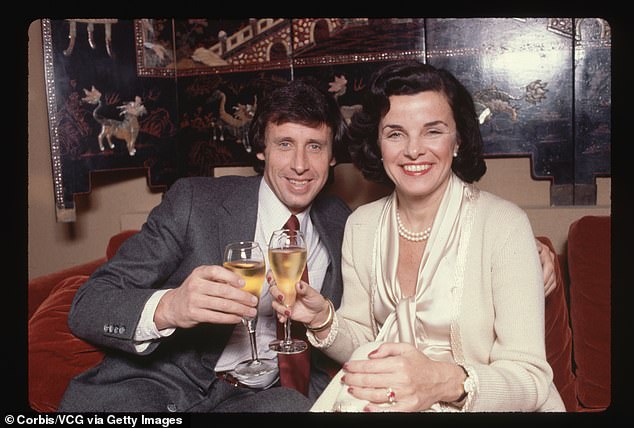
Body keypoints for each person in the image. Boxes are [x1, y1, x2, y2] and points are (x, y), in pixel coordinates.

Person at [269, 61, 565, 412]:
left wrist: (439, 382)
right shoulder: (362, 225)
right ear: (378, 144)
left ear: (458, 140)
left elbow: (530, 378)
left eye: (433, 131)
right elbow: (365, 345)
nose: (413, 150)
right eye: (395, 133)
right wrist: (323, 319)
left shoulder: (504, 225)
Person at [58, 79, 351, 412]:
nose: (300, 164)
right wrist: (171, 306)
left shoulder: (342, 222)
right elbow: (89, 304)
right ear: (261, 149)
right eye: (284, 144)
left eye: (315, 146)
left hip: (260, 400)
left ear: (332, 156)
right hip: (158, 386)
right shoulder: (195, 202)